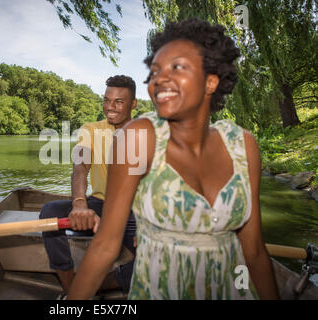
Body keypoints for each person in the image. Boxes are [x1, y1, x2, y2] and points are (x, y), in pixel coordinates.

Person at [67, 18, 280, 300]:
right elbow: (105, 245)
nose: (159, 80)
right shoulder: (137, 136)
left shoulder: (244, 145)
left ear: (210, 82)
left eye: (177, 67)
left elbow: (253, 252)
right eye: (155, 72)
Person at [39, 75, 138, 297]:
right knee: (50, 212)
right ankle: (70, 292)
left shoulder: (145, 132)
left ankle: (87, 286)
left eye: (118, 102)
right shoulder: (90, 129)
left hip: (134, 212)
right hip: (99, 204)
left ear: (133, 104)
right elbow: (80, 167)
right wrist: (80, 203)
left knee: (157, 261)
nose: (110, 108)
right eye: (106, 100)